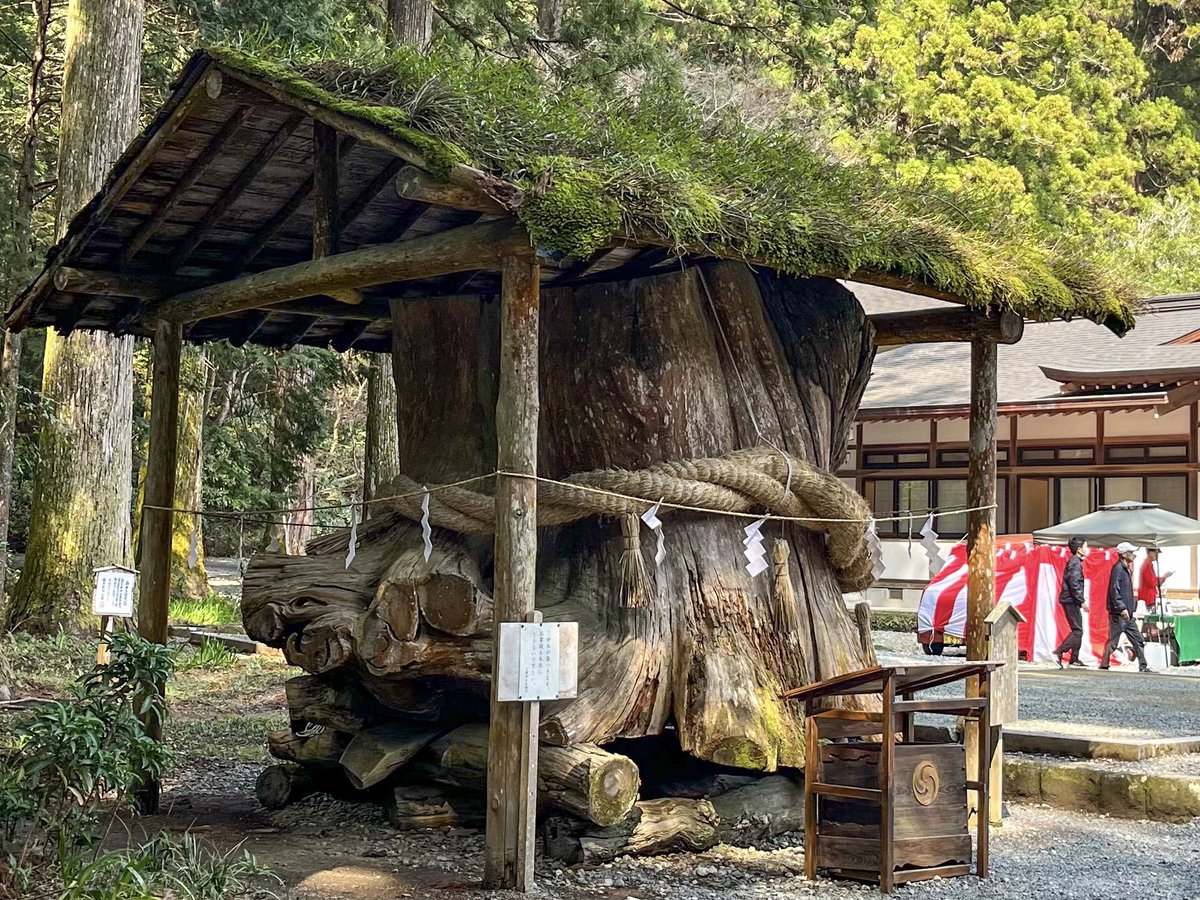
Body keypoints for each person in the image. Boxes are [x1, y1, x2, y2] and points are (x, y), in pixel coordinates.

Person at [1100, 542, 1152, 673]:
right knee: (1114, 639)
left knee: (1137, 638)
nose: (1133, 555)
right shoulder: (1118, 569)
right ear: (1124, 554)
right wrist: (1121, 608)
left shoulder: (1125, 568)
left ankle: (1143, 665)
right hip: (1119, 612)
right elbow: (1114, 590)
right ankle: (1104, 663)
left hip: (1127, 612)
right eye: (1131, 552)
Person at [1054, 536, 1089, 668]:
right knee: (1077, 630)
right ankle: (1058, 651)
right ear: (1079, 549)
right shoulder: (1074, 563)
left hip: (1070, 599)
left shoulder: (1075, 562)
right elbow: (1074, 583)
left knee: (1078, 629)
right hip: (1070, 599)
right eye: (1086, 546)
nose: (1087, 549)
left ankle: (1074, 658)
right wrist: (1081, 602)